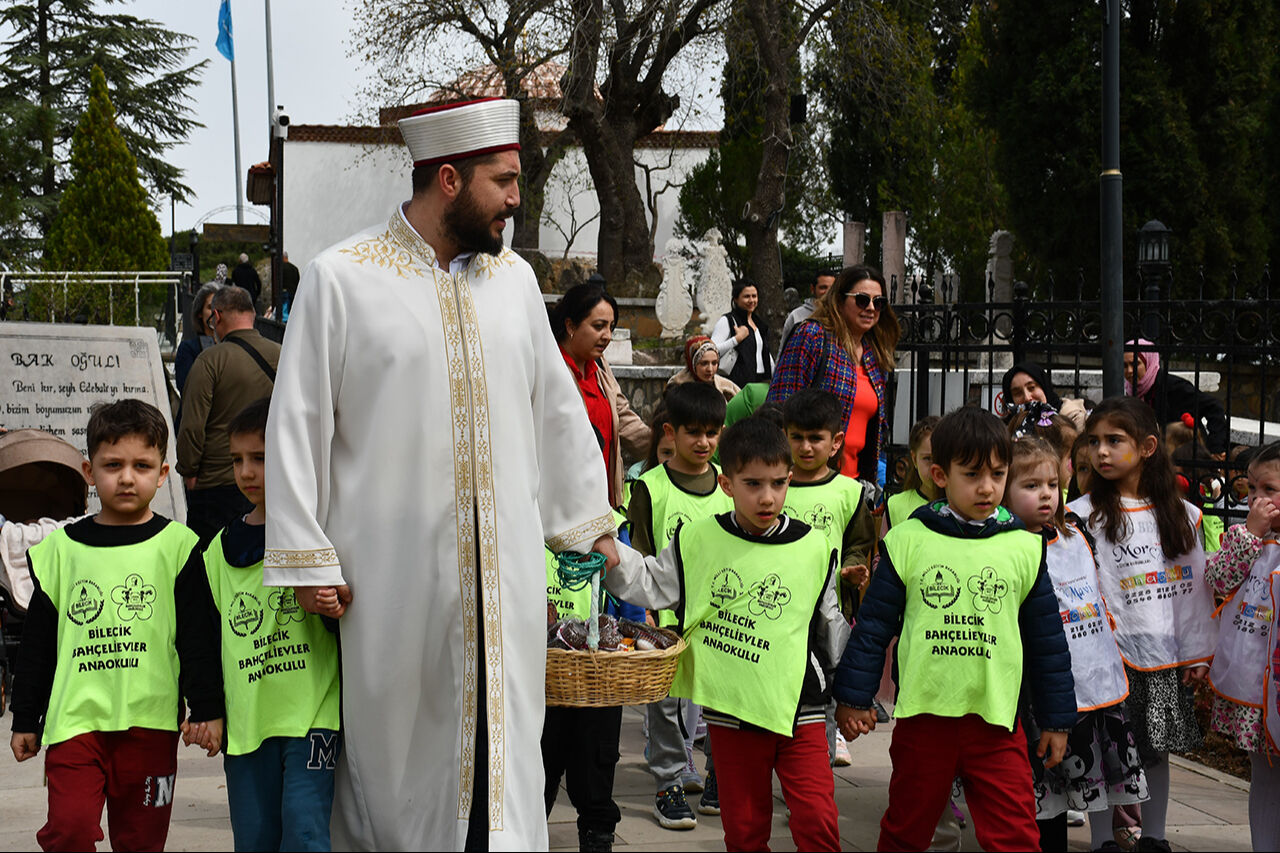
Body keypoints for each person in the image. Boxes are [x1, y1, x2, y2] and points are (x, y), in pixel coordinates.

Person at [263, 97, 619, 850]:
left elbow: (555, 408)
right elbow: (297, 421)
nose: (517, 200)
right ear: (450, 179)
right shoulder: (342, 278)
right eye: (505, 181)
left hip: (509, 584)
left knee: (504, 766)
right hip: (394, 589)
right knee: (397, 774)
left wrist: (592, 525)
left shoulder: (516, 281)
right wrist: (304, 555)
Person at [834, 406, 1075, 851]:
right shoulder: (908, 540)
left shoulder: (1023, 547)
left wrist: (1058, 719)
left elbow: (1046, 641)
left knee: (1017, 836)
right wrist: (853, 696)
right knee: (907, 830)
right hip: (925, 721)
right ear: (941, 475)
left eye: (998, 475)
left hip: (998, 723)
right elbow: (873, 627)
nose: (987, 488)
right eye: (972, 474)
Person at [609, 417, 848, 852]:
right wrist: (604, 548)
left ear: (790, 480)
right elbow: (650, 583)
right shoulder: (697, 539)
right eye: (753, 483)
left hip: (801, 709)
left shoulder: (815, 546)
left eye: (778, 483)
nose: (767, 497)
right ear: (726, 483)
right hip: (731, 710)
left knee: (816, 820)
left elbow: (829, 624)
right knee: (745, 830)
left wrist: (853, 694)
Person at [8, 400, 222, 852]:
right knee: (69, 830)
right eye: (112, 465)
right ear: (89, 470)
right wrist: (26, 717)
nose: (127, 477)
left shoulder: (180, 548)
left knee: (142, 841)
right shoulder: (60, 551)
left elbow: (198, 640)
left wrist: (206, 708)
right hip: (74, 726)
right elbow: (37, 646)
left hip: (151, 727)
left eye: (141, 465)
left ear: (162, 474)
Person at [184, 398, 341, 852]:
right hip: (247, 726)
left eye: (261, 457)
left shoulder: (322, 536)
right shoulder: (215, 553)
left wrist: (330, 607)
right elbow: (202, 641)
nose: (246, 472)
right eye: (237, 460)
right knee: (253, 839)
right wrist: (207, 709)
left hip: (312, 720)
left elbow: (355, 626)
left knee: (305, 831)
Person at [1068, 397, 1216, 852]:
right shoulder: (1080, 515)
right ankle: (1101, 842)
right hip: (1104, 655)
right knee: (1100, 748)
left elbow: (1189, 589)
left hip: (1161, 655)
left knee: (1154, 749)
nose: (1101, 452)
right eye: (1094, 442)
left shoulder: (1181, 514)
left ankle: (1154, 837)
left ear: (1148, 446)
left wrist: (1196, 653)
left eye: (1115, 441)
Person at [1003, 437, 1147, 852]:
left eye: (1052, 483)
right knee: (1041, 800)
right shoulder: (1005, 545)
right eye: (1031, 486)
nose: (1046, 494)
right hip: (1037, 692)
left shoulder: (1075, 532)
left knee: (1073, 789)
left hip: (1090, 682)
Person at [626, 382, 731, 829]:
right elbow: (641, 552)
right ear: (671, 431)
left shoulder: (730, 484)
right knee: (664, 703)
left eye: (712, 432)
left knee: (722, 702)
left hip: (720, 616)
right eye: (694, 432)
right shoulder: (650, 487)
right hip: (667, 619)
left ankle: (719, 776)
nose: (704, 442)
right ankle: (669, 781)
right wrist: (645, 612)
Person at [780, 388, 875, 768]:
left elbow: (858, 542)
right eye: (797, 437)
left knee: (823, 686)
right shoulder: (775, 485)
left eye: (815, 438)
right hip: (781, 607)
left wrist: (853, 570)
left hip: (828, 614)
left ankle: (819, 753)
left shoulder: (849, 493)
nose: (805, 447)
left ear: (836, 442)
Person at [1204, 441, 1280, 851]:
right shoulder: (1246, 538)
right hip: (1255, 686)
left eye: (1269, 489)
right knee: (1265, 774)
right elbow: (1217, 581)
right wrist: (1250, 535)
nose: (1256, 499)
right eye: (1252, 489)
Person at [769, 264, 899, 481]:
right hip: (808, 481)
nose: (870, 308)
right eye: (861, 299)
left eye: (879, 302)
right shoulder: (812, 336)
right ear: (839, 299)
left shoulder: (874, 354)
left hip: (855, 485)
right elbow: (778, 408)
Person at [177, 285, 281, 547]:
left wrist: (189, 471)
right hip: (272, 479)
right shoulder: (283, 355)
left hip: (216, 485)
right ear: (253, 314)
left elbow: (191, 425)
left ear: (217, 317)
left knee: (210, 567)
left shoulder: (209, 361)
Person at [550, 283, 651, 509]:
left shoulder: (599, 366)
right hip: (564, 502)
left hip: (604, 499)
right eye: (598, 326)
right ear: (570, 325)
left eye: (611, 327)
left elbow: (622, 416)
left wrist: (662, 445)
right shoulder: (550, 370)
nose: (607, 336)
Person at [1124, 339, 1229, 456]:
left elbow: (1213, 407)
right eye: (1125, 365)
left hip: (1186, 458)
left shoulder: (1173, 387)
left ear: (1148, 362)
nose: (1129, 371)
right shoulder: (1131, 392)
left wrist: (1216, 448)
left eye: (1135, 364)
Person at [883, 415, 941, 533]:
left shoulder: (962, 505)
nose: (935, 467)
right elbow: (884, 549)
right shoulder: (895, 505)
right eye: (927, 458)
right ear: (914, 459)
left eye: (941, 458)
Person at [711, 279, 774, 387]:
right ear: (735, 299)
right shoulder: (728, 320)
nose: (751, 300)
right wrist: (736, 339)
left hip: (761, 382)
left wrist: (776, 376)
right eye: (746, 296)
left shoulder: (759, 324)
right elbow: (712, 350)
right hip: (736, 384)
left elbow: (765, 354)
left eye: (754, 296)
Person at [1001, 362, 1088, 431]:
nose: (1027, 398)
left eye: (1032, 388)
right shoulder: (1006, 429)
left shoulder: (1073, 419)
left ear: (1044, 387)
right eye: (1018, 393)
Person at [175, 282, 221, 394]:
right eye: (210, 307)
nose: (215, 313)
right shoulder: (188, 349)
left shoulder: (231, 346)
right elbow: (185, 387)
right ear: (200, 312)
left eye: (220, 307)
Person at [779, 268, 837, 356]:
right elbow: (783, 351)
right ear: (812, 289)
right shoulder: (796, 316)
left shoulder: (840, 317)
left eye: (832, 288)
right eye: (823, 287)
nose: (828, 292)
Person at [666, 335, 740, 402]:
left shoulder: (727, 387)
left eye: (714, 363)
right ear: (692, 364)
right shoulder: (676, 387)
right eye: (704, 363)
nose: (710, 369)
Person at [281, 251, 301, 322]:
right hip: (293, 292)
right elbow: (298, 281)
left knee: (284, 311)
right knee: (291, 310)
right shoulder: (295, 268)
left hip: (284, 292)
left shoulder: (281, 268)